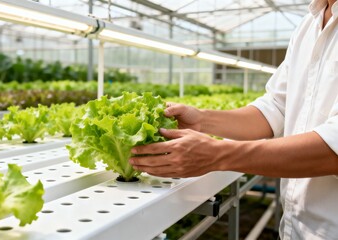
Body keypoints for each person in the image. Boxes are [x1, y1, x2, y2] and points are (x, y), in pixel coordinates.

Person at [128, 0, 338, 239]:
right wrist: (202, 119)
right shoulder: (307, 25)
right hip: (294, 229)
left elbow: (333, 148)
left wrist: (218, 154)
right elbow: (276, 108)